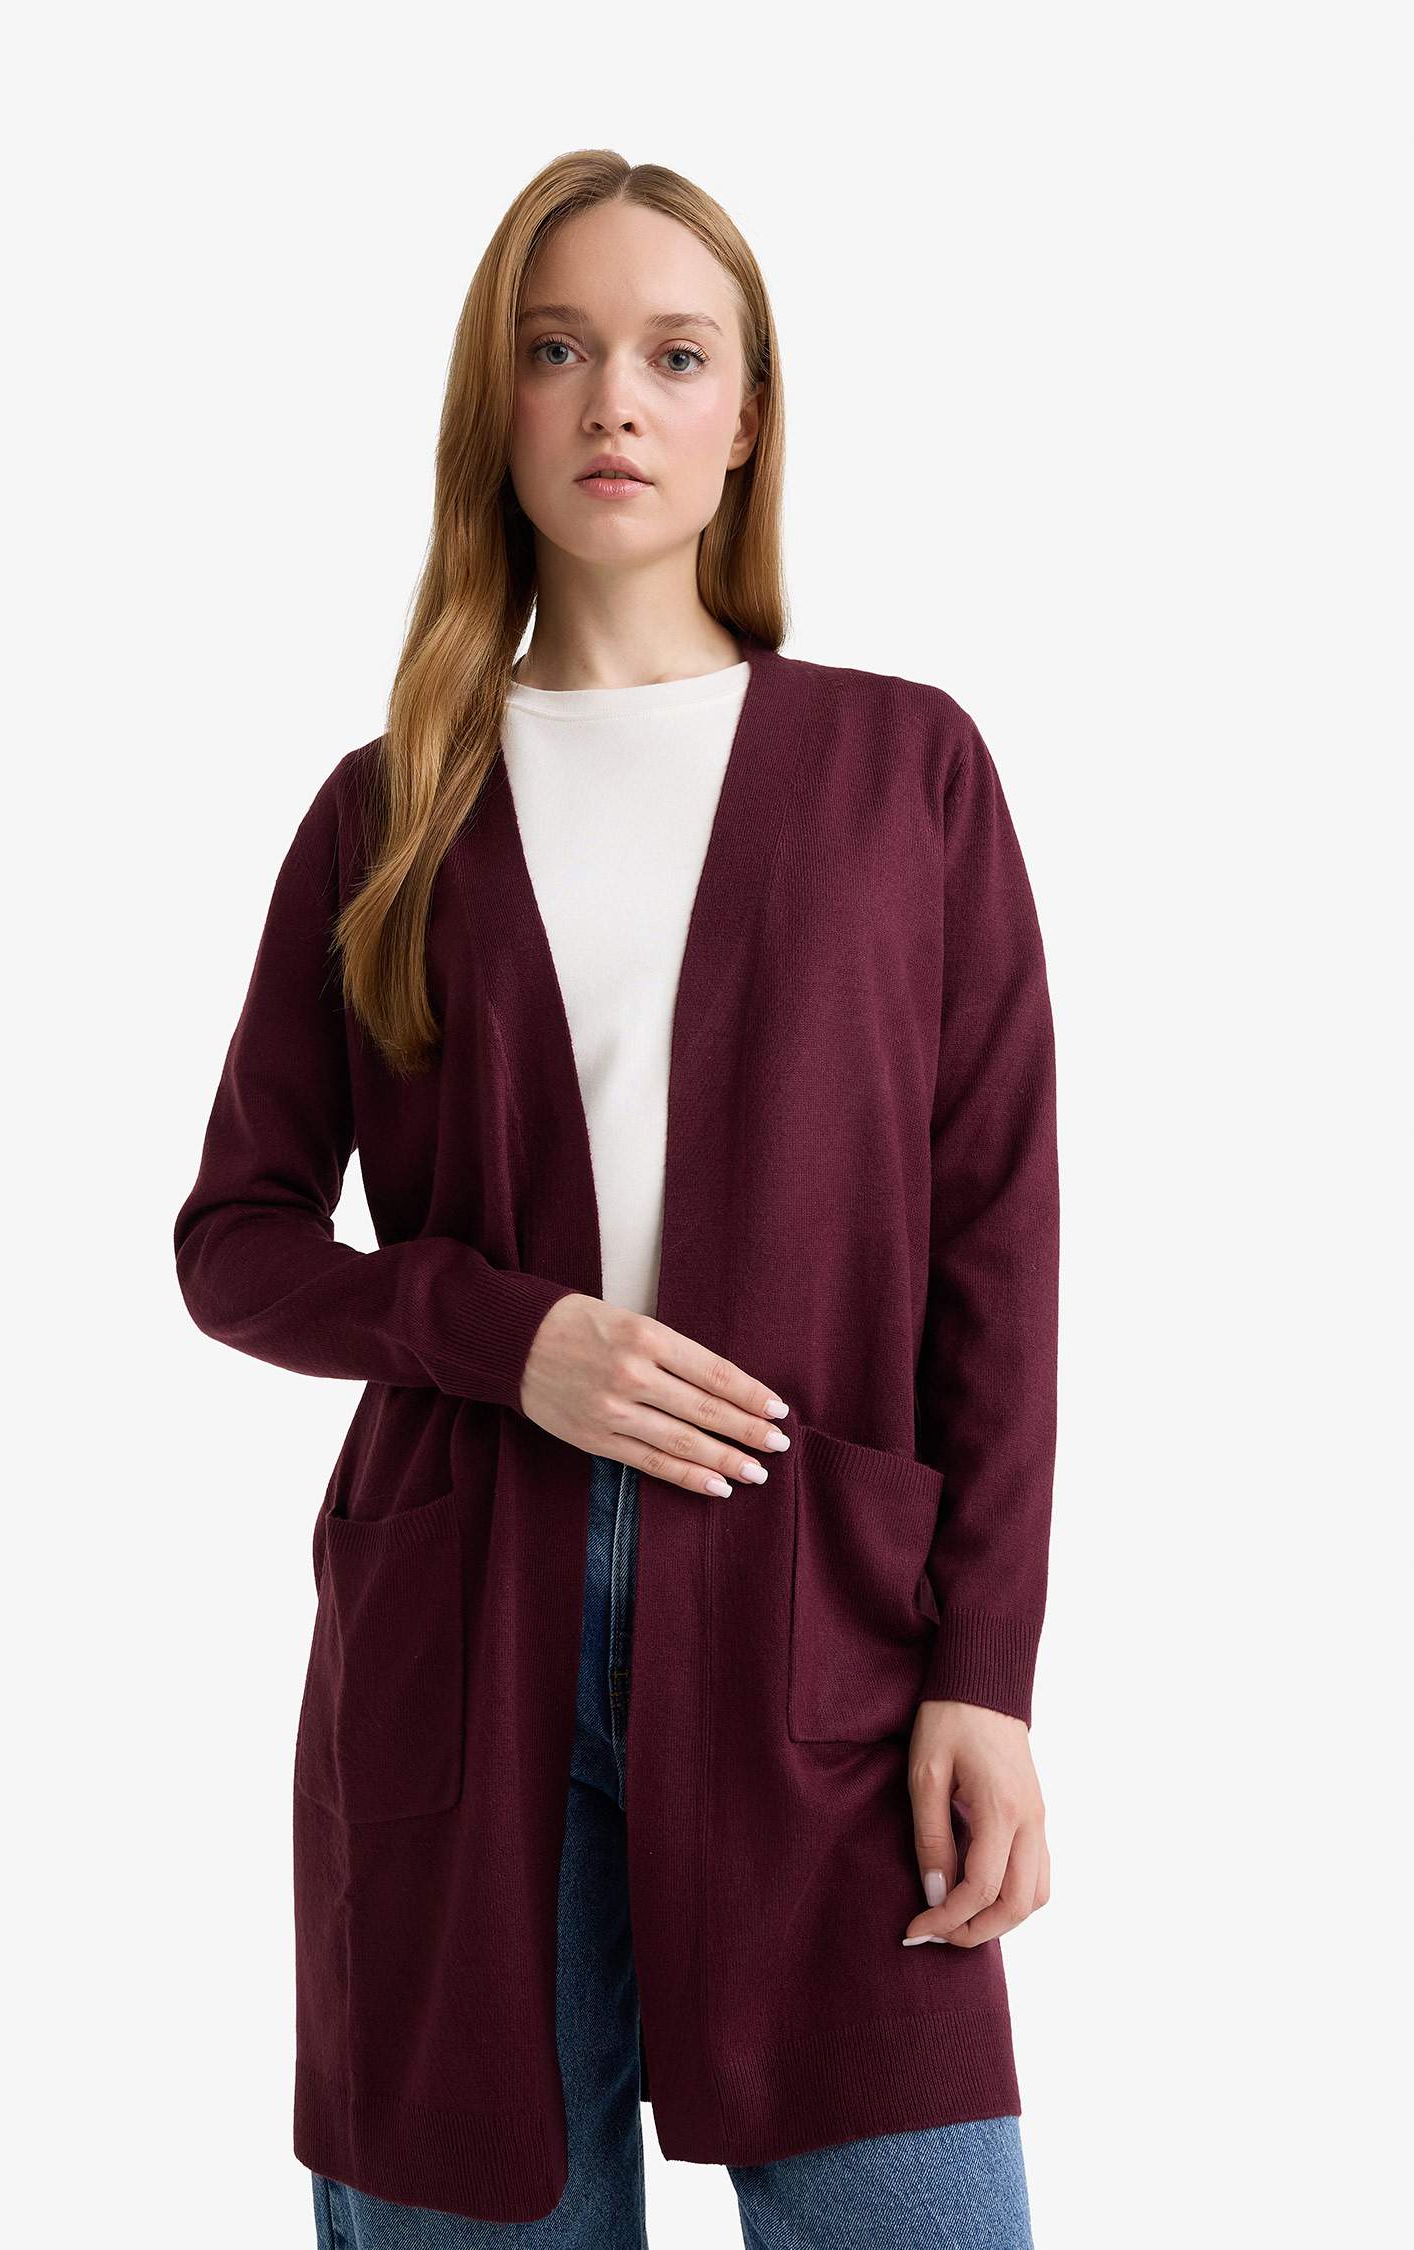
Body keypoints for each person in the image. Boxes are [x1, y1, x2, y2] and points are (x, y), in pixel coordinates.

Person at [175, 149, 1057, 2249]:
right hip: (458, 1638)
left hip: (821, 1633)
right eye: (557, 350)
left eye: (675, 355)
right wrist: (511, 1339)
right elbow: (238, 1239)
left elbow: (997, 1252)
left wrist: (987, 1667)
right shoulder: (390, 810)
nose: (614, 404)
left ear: (748, 416)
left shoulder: (907, 774)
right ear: (496, 403)